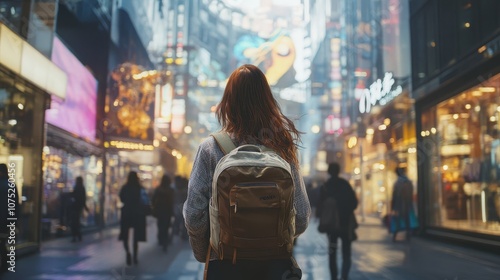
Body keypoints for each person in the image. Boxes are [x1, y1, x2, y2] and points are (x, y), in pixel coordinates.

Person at [183, 64, 311, 280]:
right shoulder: (281, 145)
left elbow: (194, 215)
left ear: (228, 102)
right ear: (267, 100)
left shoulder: (210, 148)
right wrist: (271, 239)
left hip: (225, 265)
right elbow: (301, 215)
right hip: (274, 267)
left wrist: (206, 253)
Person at [316, 162, 358, 280]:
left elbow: (320, 207)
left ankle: (334, 277)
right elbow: (354, 203)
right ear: (339, 171)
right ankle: (344, 276)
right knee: (346, 252)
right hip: (345, 225)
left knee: (332, 253)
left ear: (329, 171)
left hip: (332, 227)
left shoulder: (326, 186)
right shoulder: (345, 185)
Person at [119, 171, 147, 266]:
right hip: (137, 214)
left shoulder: (124, 188)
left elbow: (121, 199)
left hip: (126, 213)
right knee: (136, 237)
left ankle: (127, 252)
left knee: (125, 236)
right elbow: (144, 201)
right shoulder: (140, 188)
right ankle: (135, 257)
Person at [0, 163, 19, 272]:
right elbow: (15, 205)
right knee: (3, 242)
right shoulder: (11, 185)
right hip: (7, 220)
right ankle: (5, 264)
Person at [152, 174, 174, 251]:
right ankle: (165, 241)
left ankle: (161, 239)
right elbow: (173, 201)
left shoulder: (158, 189)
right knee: (166, 226)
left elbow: (153, 199)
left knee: (160, 226)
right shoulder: (170, 190)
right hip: (168, 211)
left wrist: (154, 207)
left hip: (160, 210)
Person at [391, 167, 414, 241]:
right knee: (407, 220)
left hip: (399, 204)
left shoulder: (397, 183)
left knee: (397, 220)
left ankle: (395, 236)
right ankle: (408, 235)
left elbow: (395, 195)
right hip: (408, 204)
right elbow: (411, 194)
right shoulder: (409, 182)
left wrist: (393, 207)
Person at [70, 176, 88, 242]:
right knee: (76, 222)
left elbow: (76, 196)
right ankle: (78, 236)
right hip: (78, 207)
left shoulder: (77, 187)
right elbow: (83, 199)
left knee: (75, 222)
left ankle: (76, 236)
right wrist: (85, 207)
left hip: (76, 207)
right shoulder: (81, 188)